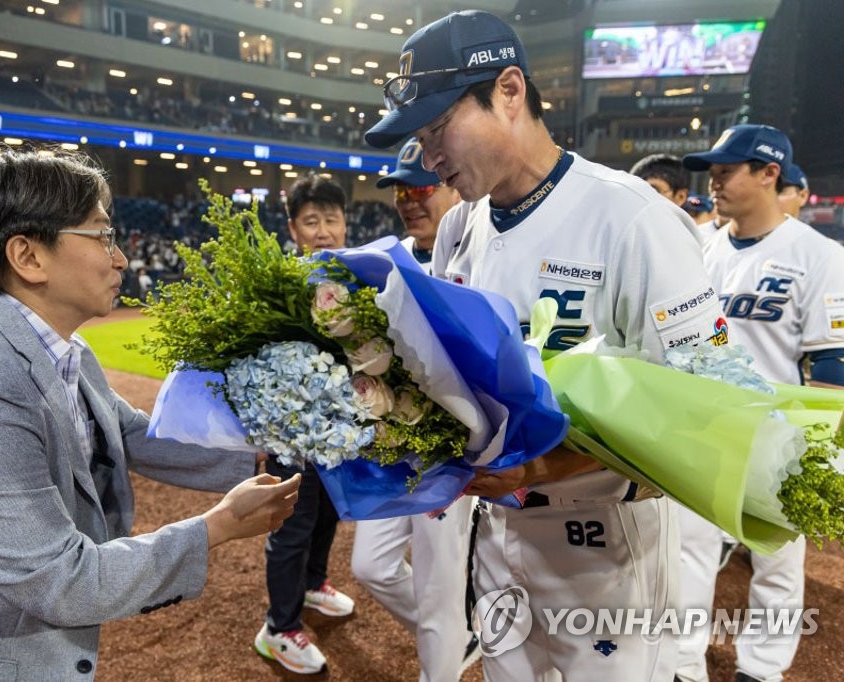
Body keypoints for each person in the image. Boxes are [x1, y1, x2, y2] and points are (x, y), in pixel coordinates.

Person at [365, 10, 725, 680]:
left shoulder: (635, 219)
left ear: (509, 91)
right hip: (497, 534)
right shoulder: (459, 229)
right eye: (420, 134)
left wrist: (540, 467)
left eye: (439, 127)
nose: (429, 153)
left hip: (605, 547)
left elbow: (702, 415)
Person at [0, 148, 301, 681]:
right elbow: (61, 580)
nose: (120, 258)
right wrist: (221, 525)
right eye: (102, 236)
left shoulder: (64, 349)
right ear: (29, 256)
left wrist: (267, 446)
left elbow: (132, 435)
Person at [676, 125, 844, 682]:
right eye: (713, 172)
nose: (714, 181)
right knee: (688, 556)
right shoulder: (698, 246)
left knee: (776, 563)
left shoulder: (818, 255)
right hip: (701, 429)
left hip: (778, 440)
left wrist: (815, 452)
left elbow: (831, 365)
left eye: (728, 170)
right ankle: (683, 665)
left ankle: (762, 669)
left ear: (769, 173)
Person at [351, 138, 477, 681]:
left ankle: (445, 650)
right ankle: (458, 636)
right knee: (370, 566)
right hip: (397, 445)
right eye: (400, 189)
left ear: (453, 185)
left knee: (440, 591)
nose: (408, 199)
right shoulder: (386, 261)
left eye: (420, 186)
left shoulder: (479, 251)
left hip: (453, 450)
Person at [253, 172, 356, 675]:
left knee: (329, 514)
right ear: (293, 228)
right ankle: (279, 627)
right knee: (292, 528)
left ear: (344, 224)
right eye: (310, 220)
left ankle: (315, 584)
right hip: (289, 436)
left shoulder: (358, 278)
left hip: (341, 433)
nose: (322, 229)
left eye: (330, 219)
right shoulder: (279, 285)